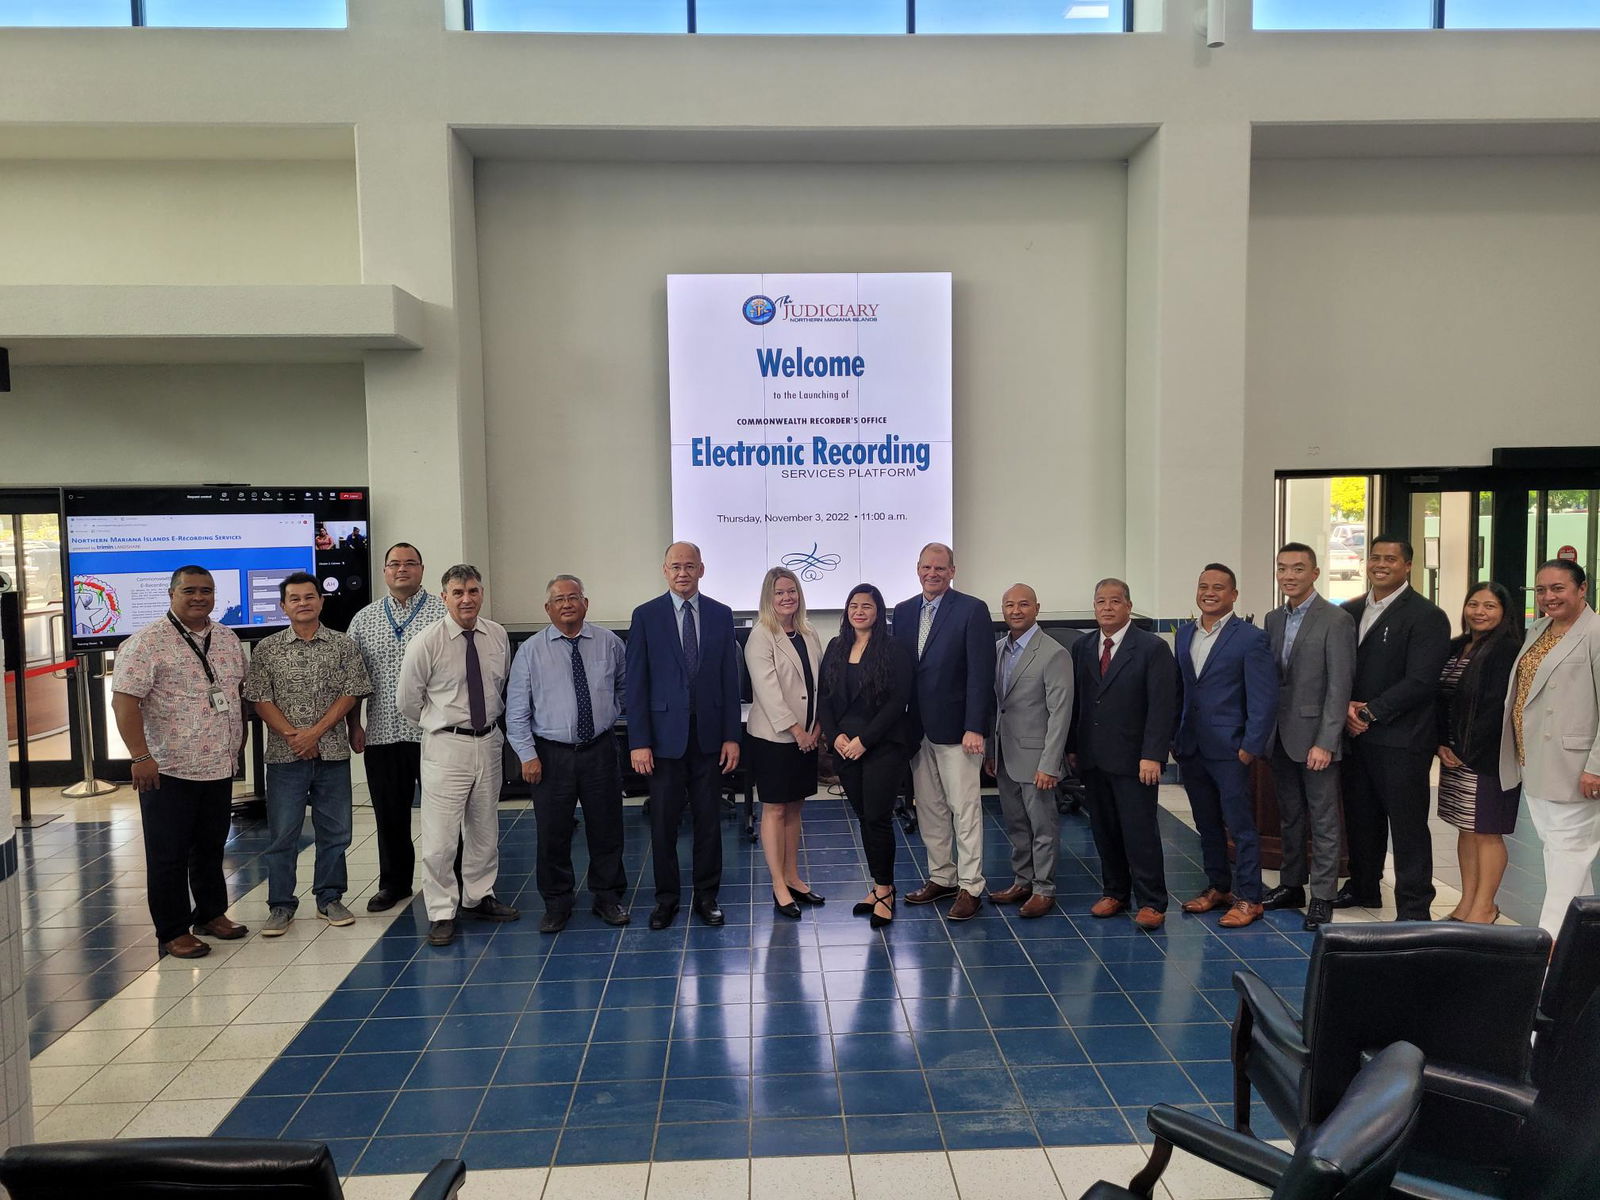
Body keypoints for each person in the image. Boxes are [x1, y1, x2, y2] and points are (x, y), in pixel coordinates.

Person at [111, 566, 249, 959]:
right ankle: (172, 930)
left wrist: (236, 745)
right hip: (167, 769)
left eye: (206, 591)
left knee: (210, 847)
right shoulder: (146, 643)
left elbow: (235, 694)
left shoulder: (226, 638)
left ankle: (210, 913)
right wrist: (140, 756)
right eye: (189, 590)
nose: (198, 597)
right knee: (168, 853)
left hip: (218, 766)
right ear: (172, 594)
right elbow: (124, 702)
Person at [396, 564, 518, 947]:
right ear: (444, 596)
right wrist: (444, 725)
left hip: (489, 741)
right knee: (441, 838)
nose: (467, 599)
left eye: (473, 591)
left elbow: (502, 687)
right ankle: (442, 910)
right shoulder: (426, 642)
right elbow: (407, 703)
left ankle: (478, 896)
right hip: (446, 745)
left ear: (481, 593)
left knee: (484, 829)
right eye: (458, 592)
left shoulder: (497, 635)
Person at [243, 572, 372, 935]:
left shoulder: (343, 645)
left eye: (310, 597)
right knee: (284, 834)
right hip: (285, 758)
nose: (303, 603)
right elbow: (259, 698)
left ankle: (329, 897)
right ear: (283, 606)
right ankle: (281, 905)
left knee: (336, 832)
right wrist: (293, 736)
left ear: (321, 601)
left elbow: (352, 692)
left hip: (331, 754)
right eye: (295, 598)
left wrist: (316, 732)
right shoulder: (267, 649)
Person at [625, 542, 742, 931]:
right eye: (675, 566)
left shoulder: (721, 615)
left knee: (709, 821)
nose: (682, 573)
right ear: (664, 570)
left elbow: (730, 680)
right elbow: (636, 685)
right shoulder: (646, 616)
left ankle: (707, 897)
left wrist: (732, 736)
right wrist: (638, 740)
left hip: (709, 738)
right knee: (663, 823)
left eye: (689, 566)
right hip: (661, 742)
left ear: (701, 570)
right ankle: (666, 899)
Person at [506, 574, 629, 933]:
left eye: (573, 597)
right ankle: (557, 902)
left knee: (607, 828)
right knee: (553, 832)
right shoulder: (530, 651)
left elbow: (624, 687)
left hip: (601, 750)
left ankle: (607, 896)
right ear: (548, 608)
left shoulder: (609, 643)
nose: (567, 604)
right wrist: (527, 755)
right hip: (551, 754)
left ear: (585, 603)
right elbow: (516, 710)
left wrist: (606, 715)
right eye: (559, 599)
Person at [1339, 537, 1452, 920]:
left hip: (1402, 739)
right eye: (1375, 558)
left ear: (1408, 566)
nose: (1381, 564)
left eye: (1391, 559)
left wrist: (1369, 713)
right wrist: (1346, 710)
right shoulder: (1350, 611)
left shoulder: (1426, 616)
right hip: (1355, 737)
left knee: (1407, 827)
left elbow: (1421, 681)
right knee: (1361, 817)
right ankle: (1364, 887)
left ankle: (1415, 907)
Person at [1067, 578, 1179, 930]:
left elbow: (1163, 707)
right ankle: (1115, 892)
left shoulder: (1152, 648)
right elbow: (1079, 703)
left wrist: (1153, 754)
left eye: (1115, 601)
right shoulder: (1083, 647)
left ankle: (1152, 901)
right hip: (1093, 757)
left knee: (1139, 832)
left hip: (1135, 760)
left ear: (1128, 606)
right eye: (1101, 601)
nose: (1107, 607)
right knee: (1104, 830)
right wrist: (1072, 747)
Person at [894, 543, 995, 922]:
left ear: (953, 571)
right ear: (917, 569)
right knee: (931, 809)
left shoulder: (971, 609)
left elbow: (980, 675)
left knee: (964, 809)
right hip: (916, 729)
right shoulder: (903, 613)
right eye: (926, 567)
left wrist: (975, 727)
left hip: (958, 731)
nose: (932, 573)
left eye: (940, 567)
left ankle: (971, 886)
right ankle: (942, 877)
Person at [1173, 564, 1277, 928]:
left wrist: (1250, 746)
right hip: (1192, 747)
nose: (1209, 592)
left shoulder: (1250, 638)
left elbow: (1264, 698)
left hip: (1232, 749)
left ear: (1234, 594)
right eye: (1203, 586)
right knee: (1207, 823)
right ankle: (1219, 887)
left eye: (1219, 587)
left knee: (1241, 825)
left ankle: (1250, 897)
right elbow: (1184, 691)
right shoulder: (1184, 635)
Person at [1499, 560, 1600, 936]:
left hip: (1576, 768)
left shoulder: (1595, 632)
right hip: (1536, 760)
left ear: (1582, 589)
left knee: (1569, 853)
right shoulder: (1539, 628)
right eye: (1541, 590)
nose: (1548, 597)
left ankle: (1551, 948)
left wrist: (1597, 766)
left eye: (1558, 588)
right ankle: (1585, 945)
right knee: (1562, 854)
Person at [347, 542, 447, 911]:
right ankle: (394, 883)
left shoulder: (442, 613)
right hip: (382, 733)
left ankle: (454, 881)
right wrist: (354, 724)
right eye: (394, 564)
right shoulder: (364, 619)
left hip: (434, 733)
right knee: (389, 812)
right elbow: (354, 680)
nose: (401, 569)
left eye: (409, 563)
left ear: (422, 569)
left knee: (443, 813)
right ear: (385, 571)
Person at [1262, 543, 1357, 932]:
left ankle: (1322, 896)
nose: (1289, 575)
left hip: (1316, 738)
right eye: (1283, 568)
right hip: (1279, 736)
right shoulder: (1272, 618)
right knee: (1290, 816)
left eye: (1298, 568)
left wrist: (1327, 741)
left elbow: (1340, 685)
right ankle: (1291, 884)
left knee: (1323, 820)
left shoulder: (1335, 620)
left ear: (1315, 573)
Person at [818, 584, 916, 929]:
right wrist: (837, 736)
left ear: (879, 611)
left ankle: (885, 891)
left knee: (878, 818)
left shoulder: (893, 649)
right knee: (864, 818)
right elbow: (825, 699)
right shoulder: (835, 646)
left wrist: (865, 740)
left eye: (867, 606)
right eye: (854, 605)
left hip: (882, 746)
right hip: (846, 748)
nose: (859, 611)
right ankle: (876, 887)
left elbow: (897, 702)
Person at [1434, 581, 1521, 924]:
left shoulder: (1508, 650)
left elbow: (1499, 708)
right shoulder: (1456, 647)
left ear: (1503, 612)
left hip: (1488, 757)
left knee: (1487, 831)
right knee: (1465, 829)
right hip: (1453, 754)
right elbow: (1439, 699)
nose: (1479, 612)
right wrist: (1441, 742)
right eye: (1474, 604)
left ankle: (1485, 906)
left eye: (1489, 606)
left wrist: (1467, 750)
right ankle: (1466, 902)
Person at [986, 583, 1073, 919]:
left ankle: (1043, 889)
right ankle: (1022, 881)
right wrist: (992, 751)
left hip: (1038, 759)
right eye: (1009, 605)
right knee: (1017, 825)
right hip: (1006, 756)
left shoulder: (1053, 653)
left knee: (1042, 827)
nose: (1016, 611)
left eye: (1023, 604)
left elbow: (1060, 713)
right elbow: (997, 707)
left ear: (1037, 607)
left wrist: (1050, 764)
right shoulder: (996, 650)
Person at [744, 566, 825, 918]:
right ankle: (778, 883)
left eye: (791, 591)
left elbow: (820, 686)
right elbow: (769, 692)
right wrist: (797, 731)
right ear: (768, 597)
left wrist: (817, 728)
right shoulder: (761, 636)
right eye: (779, 593)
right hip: (775, 739)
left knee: (795, 807)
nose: (787, 597)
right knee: (775, 808)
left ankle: (793, 876)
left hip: (808, 736)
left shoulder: (808, 632)